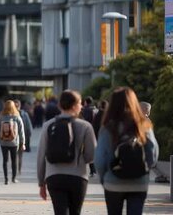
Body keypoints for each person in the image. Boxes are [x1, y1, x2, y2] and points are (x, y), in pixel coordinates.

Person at [95, 87, 158, 215]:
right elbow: (153, 152)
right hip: (139, 182)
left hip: (113, 181)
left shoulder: (108, 127)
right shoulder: (143, 125)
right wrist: (144, 170)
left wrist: (104, 178)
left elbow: (100, 158)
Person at [37, 89, 97, 215]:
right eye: (80, 103)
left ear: (59, 105)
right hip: (78, 176)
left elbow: (41, 155)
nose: (81, 106)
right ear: (76, 106)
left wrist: (41, 182)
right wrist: (81, 160)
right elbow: (91, 155)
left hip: (54, 176)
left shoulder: (48, 125)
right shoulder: (85, 126)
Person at [0, 100, 25, 185]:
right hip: (14, 142)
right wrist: (23, 142)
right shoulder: (17, 117)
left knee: (5, 160)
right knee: (14, 160)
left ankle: (6, 179)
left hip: (3, 142)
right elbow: (21, 131)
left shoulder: (2, 117)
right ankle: (14, 178)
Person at [14, 99, 32, 175]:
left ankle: (18, 170)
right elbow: (29, 126)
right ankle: (17, 170)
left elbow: (28, 126)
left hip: (18, 139)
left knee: (17, 156)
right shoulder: (24, 114)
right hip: (16, 139)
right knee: (17, 156)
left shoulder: (23, 114)